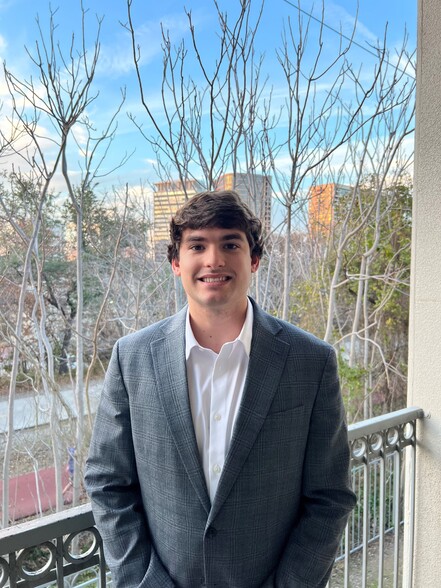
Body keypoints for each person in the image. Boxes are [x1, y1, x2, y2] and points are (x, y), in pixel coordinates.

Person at [85, 190, 356, 588]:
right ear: (176, 263)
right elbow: (107, 481)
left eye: (230, 244)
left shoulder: (310, 361)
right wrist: (144, 581)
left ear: (254, 260)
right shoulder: (133, 358)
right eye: (197, 246)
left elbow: (329, 496)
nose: (214, 259)